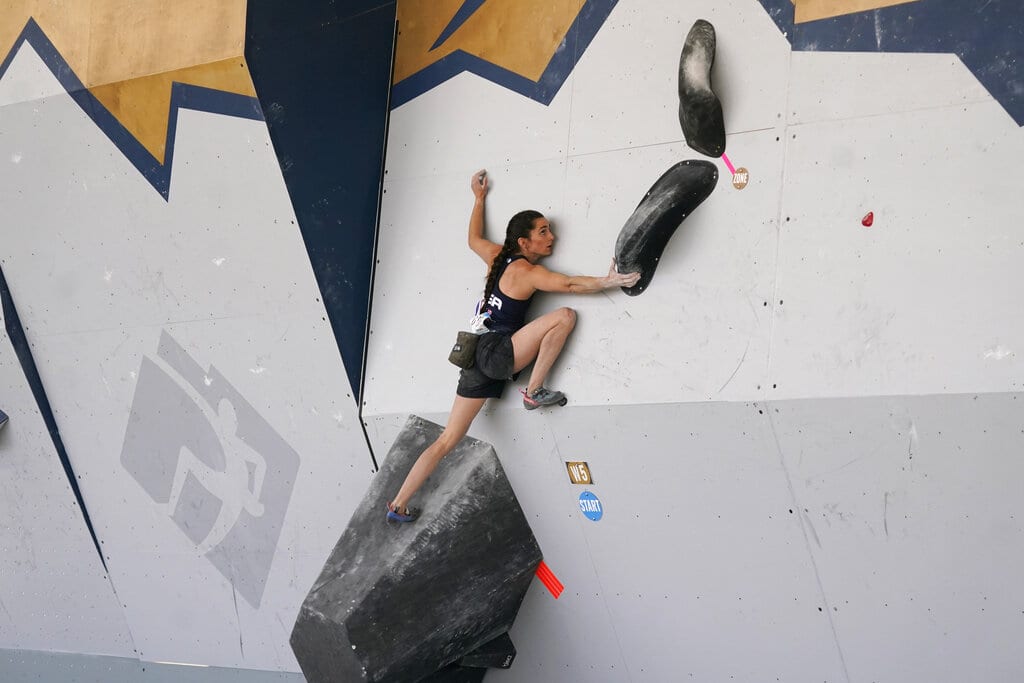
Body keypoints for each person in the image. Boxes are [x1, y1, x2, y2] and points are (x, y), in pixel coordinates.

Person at [386, 169, 640, 523]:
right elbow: (569, 285)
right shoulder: (526, 271)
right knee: (564, 316)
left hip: (474, 357)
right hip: (497, 350)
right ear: (524, 243)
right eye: (543, 232)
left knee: (447, 440)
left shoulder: (496, 256)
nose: (552, 237)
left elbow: (473, 238)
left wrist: (478, 198)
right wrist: (611, 281)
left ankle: (397, 504)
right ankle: (533, 390)